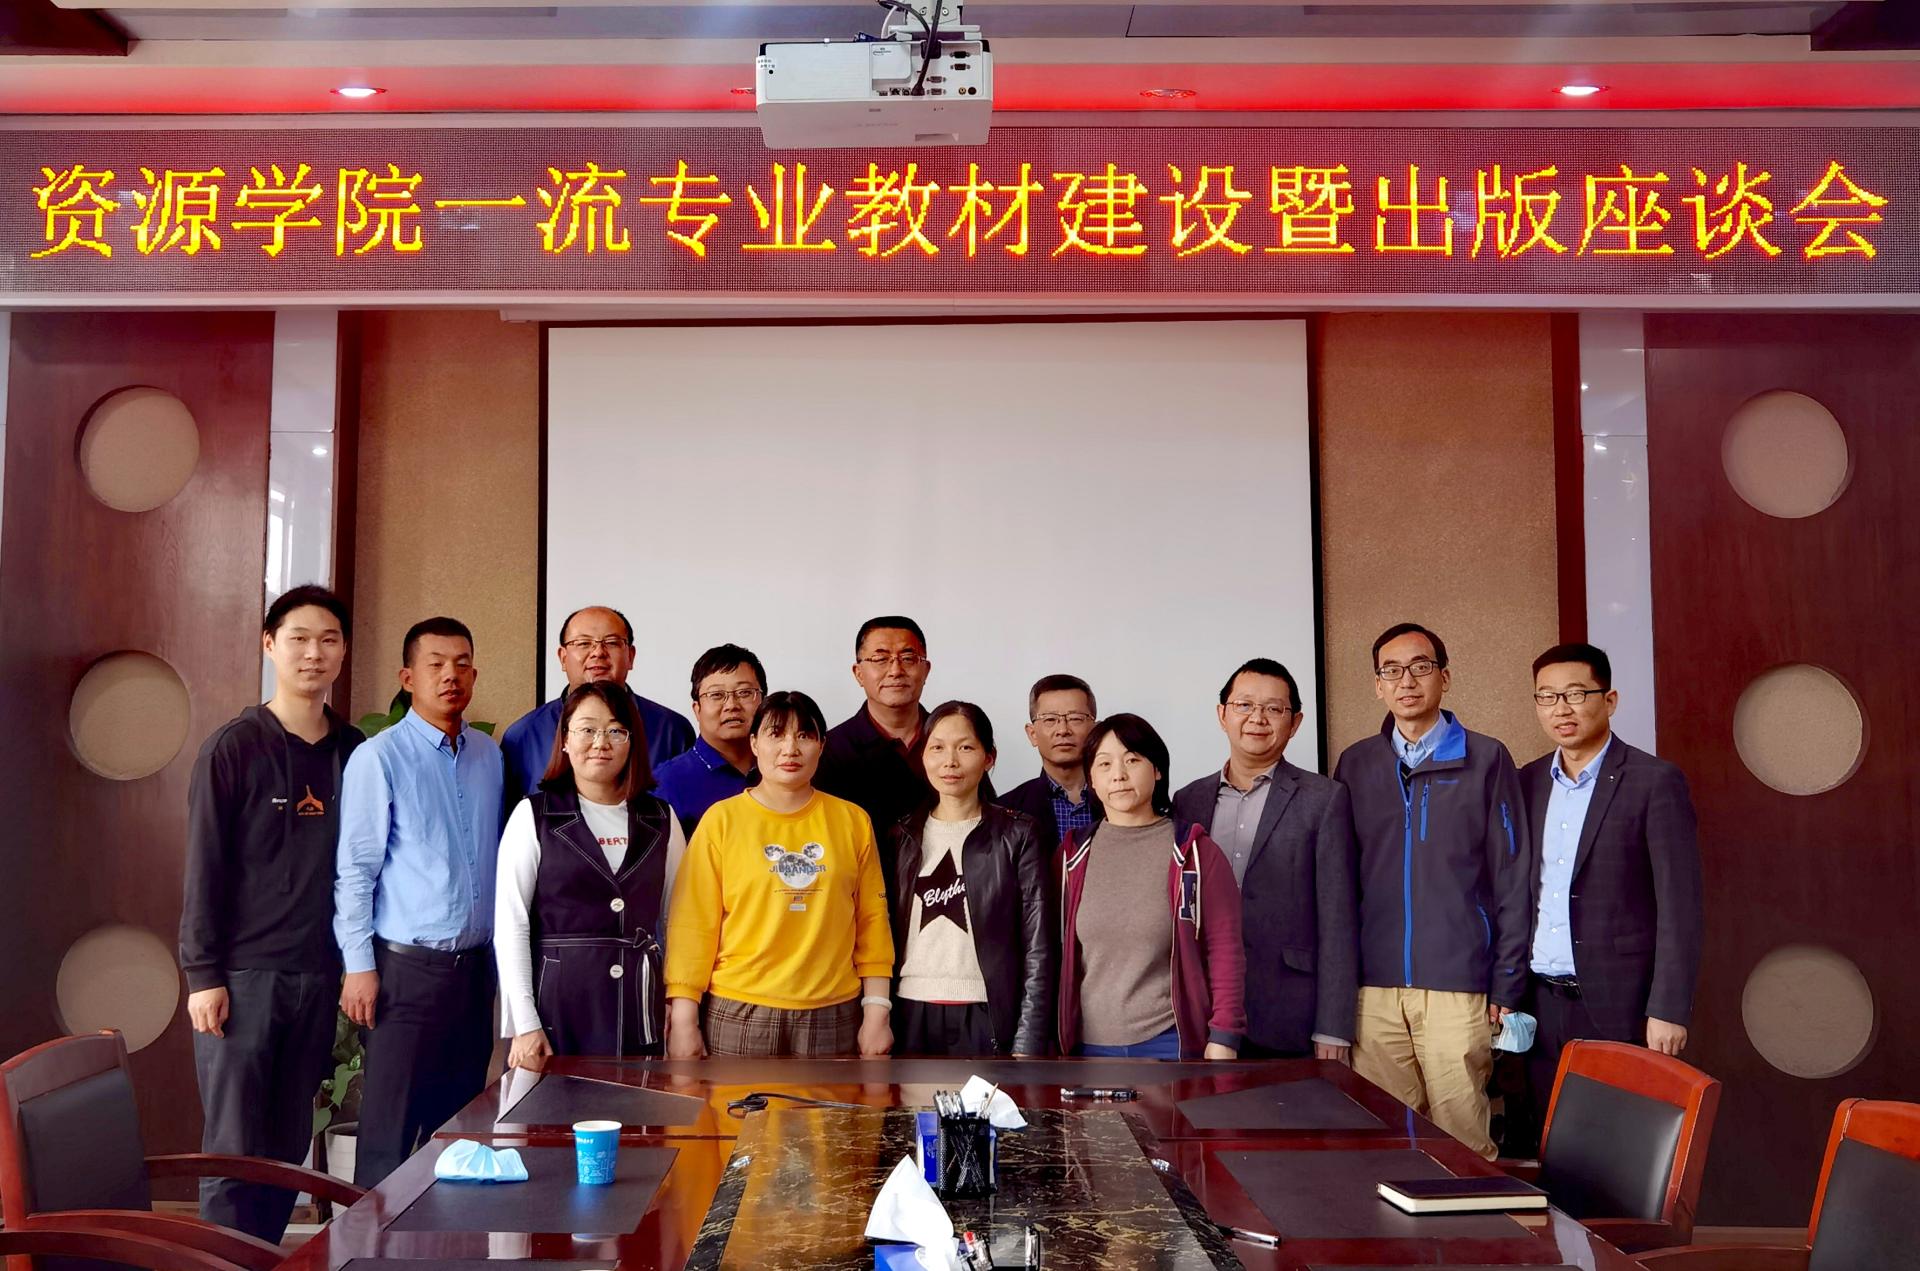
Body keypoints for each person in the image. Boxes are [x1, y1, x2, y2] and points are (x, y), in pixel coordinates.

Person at [179, 585, 364, 1244]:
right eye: (299, 639)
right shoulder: (234, 747)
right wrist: (203, 975)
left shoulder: (353, 750)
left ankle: (262, 1258)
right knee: (235, 1148)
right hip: (243, 977)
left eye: (328, 640)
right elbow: (205, 867)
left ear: (343, 650)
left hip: (318, 975)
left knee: (287, 1144)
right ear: (270, 645)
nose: (314, 653)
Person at [1333, 623, 1530, 1160]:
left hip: (1458, 986)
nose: (1407, 681)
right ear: (1377, 685)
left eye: (1421, 667)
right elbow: (1341, 881)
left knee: (1463, 1142)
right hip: (1374, 991)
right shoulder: (1356, 764)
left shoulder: (1487, 758)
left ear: (1445, 677)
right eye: (1392, 671)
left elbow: (1513, 877)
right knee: (1386, 1142)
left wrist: (1507, 982)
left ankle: (1477, 1221)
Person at [335, 617, 503, 1186]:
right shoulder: (379, 757)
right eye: (435, 664)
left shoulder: (489, 756)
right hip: (405, 975)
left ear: (474, 675)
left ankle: (447, 1237)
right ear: (408, 677)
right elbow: (356, 871)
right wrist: (359, 966)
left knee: (460, 1136)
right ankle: (367, 1239)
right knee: (388, 1137)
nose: (450, 675)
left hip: (474, 974)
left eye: (462, 664)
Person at [1517, 642, 1703, 1147]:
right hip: (1539, 1002)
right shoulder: (1527, 782)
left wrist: (1669, 1008)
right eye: (1547, 696)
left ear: (1610, 699)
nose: (1562, 709)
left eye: (1576, 694)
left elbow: (1681, 907)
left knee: (1617, 1146)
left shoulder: (1654, 781)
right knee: (1545, 1142)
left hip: (1622, 1003)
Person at [664, 691, 895, 1058]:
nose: (791, 748)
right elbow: (692, 925)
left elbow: (873, 921)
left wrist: (877, 1011)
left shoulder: (852, 821)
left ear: (822, 745)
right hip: (739, 1008)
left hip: (833, 1010)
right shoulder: (721, 821)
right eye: (776, 734)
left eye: (804, 735)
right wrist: (683, 1020)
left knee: (837, 1101)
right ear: (755, 743)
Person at [1171, 658, 1359, 1061]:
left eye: (1274, 708)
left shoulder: (1324, 799)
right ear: (1222, 714)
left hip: (1288, 1011)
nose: (1257, 718)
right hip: (1203, 1011)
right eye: (1244, 705)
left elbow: (1338, 919)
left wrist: (1334, 1026)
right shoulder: (1187, 800)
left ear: (1295, 723)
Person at [495, 681, 688, 1068]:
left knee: (637, 1105)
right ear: (565, 740)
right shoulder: (534, 815)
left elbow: (678, 921)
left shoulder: (660, 818)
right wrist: (525, 1024)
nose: (601, 742)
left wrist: (674, 1003)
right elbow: (511, 925)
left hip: (639, 1006)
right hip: (557, 1009)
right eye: (587, 729)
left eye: (616, 730)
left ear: (632, 742)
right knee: (552, 1106)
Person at [1057, 714, 1245, 1060]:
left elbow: (1225, 951)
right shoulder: (1071, 856)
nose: (1118, 774)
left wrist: (1225, 1037)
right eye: (1104, 764)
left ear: (1157, 769)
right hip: (1088, 1047)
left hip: (1170, 1043)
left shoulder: (1195, 852)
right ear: (1091, 780)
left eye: (1132, 760)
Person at [890, 701, 1054, 1057]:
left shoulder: (1018, 834)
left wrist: (1028, 1038)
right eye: (937, 748)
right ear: (923, 757)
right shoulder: (901, 836)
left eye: (965, 748)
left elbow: (1038, 945)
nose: (950, 761)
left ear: (988, 757)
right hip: (910, 1012)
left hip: (988, 1014)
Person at [819, 616, 991, 897]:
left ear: (926, 669)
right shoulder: (830, 751)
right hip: (860, 903)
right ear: (858, 673)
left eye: (908, 658)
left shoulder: (956, 742)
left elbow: (987, 825)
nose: (895, 670)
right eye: (880, 659)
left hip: (954, 898)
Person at [499, 605, 694, 818]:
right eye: (583, 643)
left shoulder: (673, 731)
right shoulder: (522, 736)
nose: (598, 652)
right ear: (562, 657)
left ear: (630, 656)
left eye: (611, 643)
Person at [652, 644, 765, 835]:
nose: (731, 705)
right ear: (697, 709)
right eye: (716, 695)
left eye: (744, 692)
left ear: (764, 702)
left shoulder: (787, 770)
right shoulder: (666, 784)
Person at [996, 674, 1102, 852]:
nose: (1063, 730)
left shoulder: (1121, 798)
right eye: (1050, 719)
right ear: (1032, 734)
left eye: (1075, 718)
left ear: (1095, 730)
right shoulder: (1005, 810)